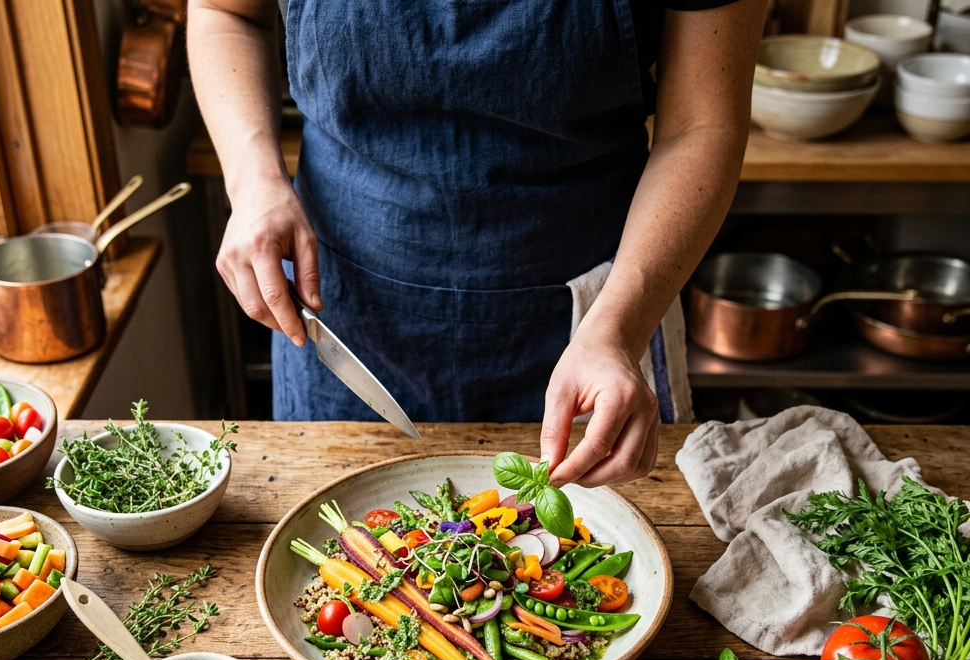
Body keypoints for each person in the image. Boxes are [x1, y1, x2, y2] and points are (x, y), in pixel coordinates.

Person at [188, 0, 764, 486]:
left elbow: (702, 123)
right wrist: (254, 179)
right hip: (346, 315)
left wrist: (618, 329)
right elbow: (224, 12)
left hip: (594, 314)